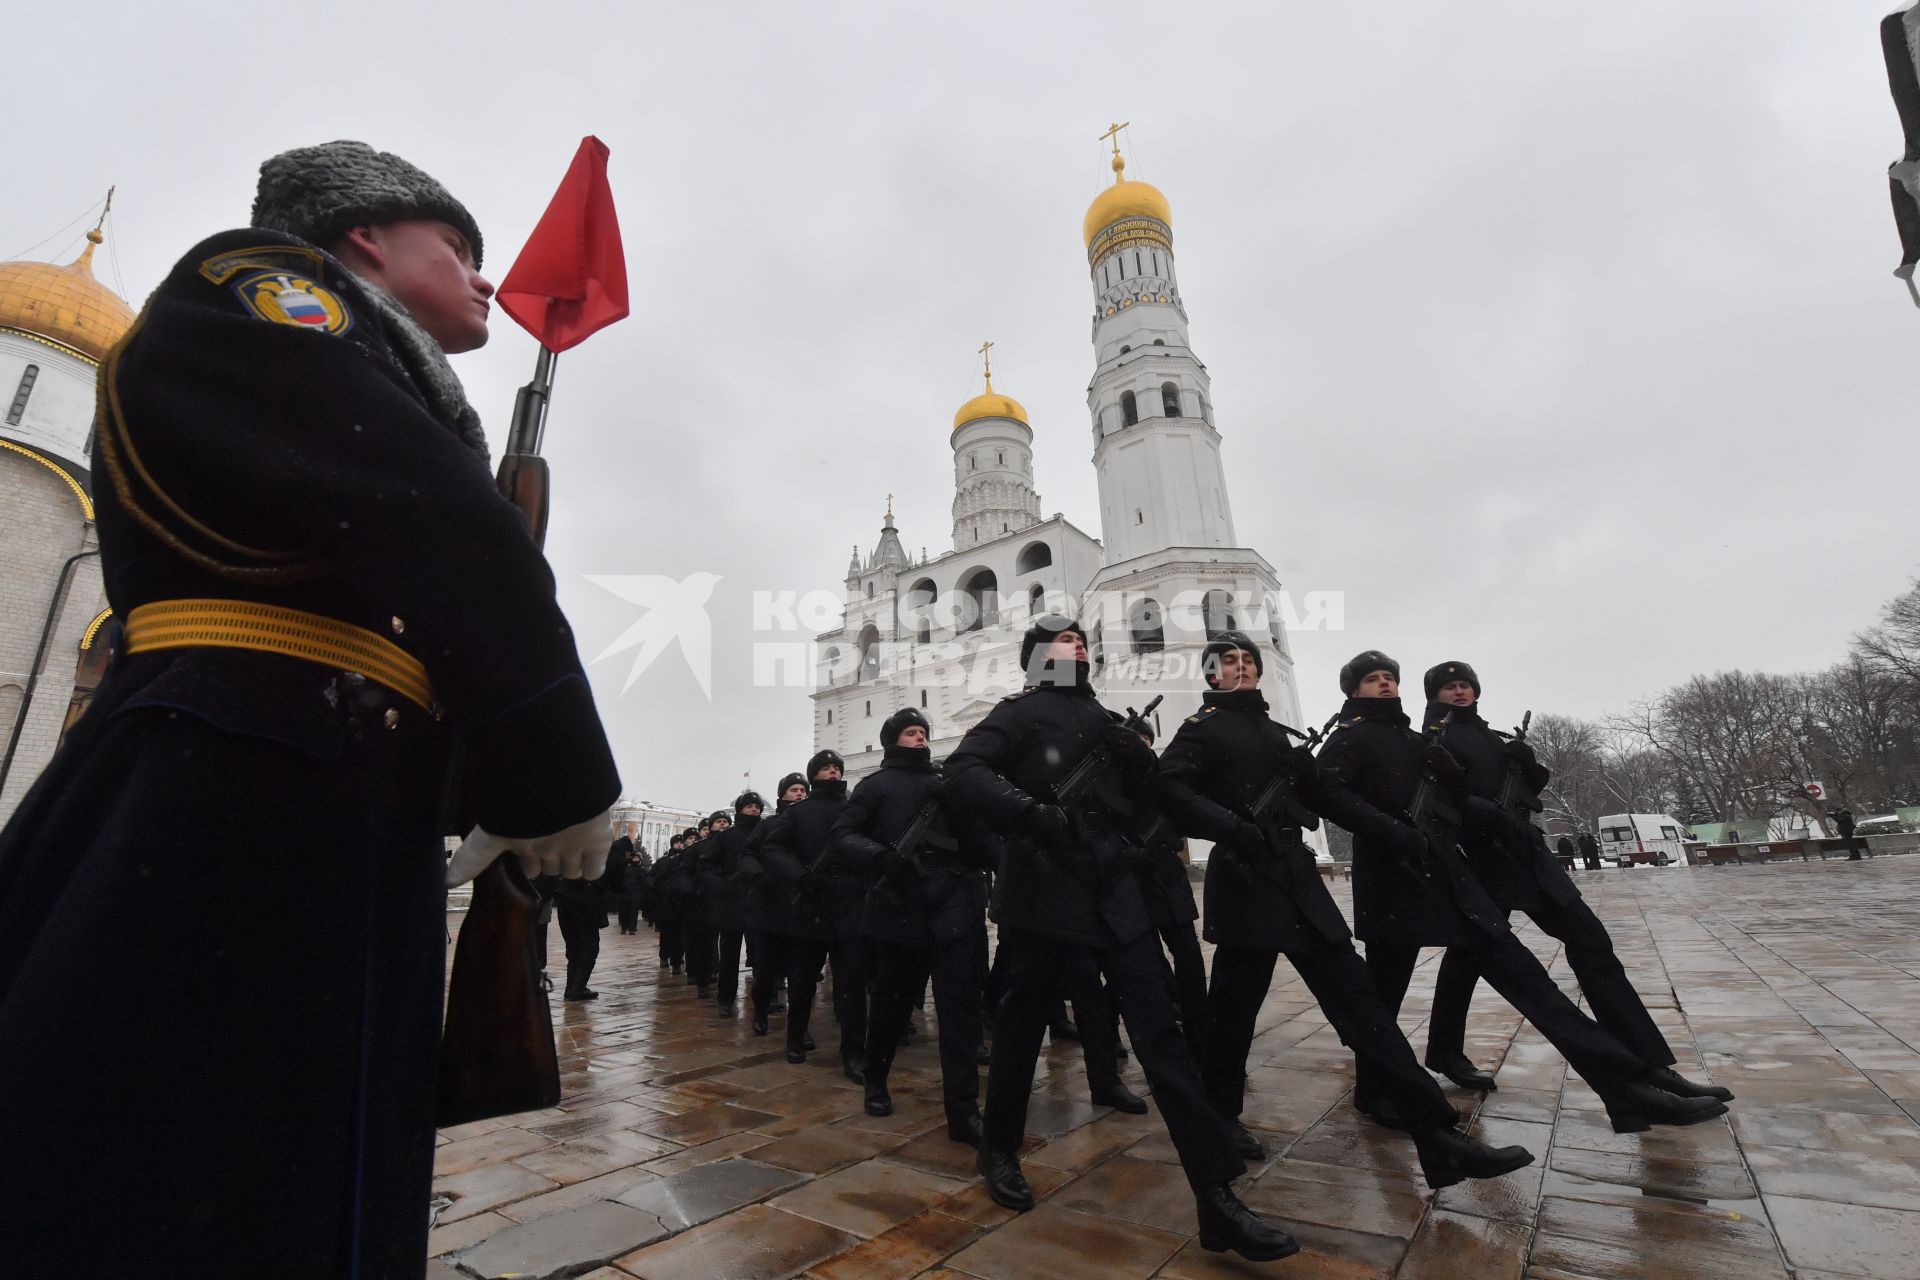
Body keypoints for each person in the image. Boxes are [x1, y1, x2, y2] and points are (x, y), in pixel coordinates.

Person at [0, 141, 620, 1275]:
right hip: (225, 785)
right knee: (172, 1165)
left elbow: (405, 602)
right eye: (459, 249)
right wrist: (561, 767)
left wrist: (479, 785)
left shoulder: (376, 379)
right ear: (364, 238)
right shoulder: (251, 289)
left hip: (323, 792)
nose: (485, 280)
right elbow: (427, 517)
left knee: (305, 1166)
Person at [944, 616, 1298, 1262]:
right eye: (1062, 640)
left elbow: (1156, 801)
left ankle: (1217, 1199)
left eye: (1081, 640)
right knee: (1022, 1031)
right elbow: (964, 771)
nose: (1076, 645)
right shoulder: (1019, 713)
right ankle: (1000, 1147)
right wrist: (1029, 813)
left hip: (1113, 892)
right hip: (1045, 894)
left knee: (1161, 1038)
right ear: (1035, 658)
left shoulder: (1107, 721)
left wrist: (1135, 834)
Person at [1156, 634, 1534, 1188]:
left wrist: (1400, 820)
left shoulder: (1277, 734)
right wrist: (1232, 828)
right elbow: (1172, 791)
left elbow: (1326, 796)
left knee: (1364, 1010)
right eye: (1227, 664)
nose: (1240, 669)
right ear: (1212, 676)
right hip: (1244, 882)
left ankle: (1437, 1134)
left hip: (1297, 881)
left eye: (1248, 662)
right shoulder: (1200, 730)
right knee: (1232, 1014)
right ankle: (1219, 1116)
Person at [1314, 652, 1728, 1137]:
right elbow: (1329, 796)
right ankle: (1374, 1088)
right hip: (1395, 883)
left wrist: (1522, 775)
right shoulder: (1349, 740)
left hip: (1451, 877)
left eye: (1389, 677)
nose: (1384, 685)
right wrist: (1397, 831)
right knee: (1385, 991)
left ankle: (1629, 1084)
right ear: (1353, 690)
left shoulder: (1416, 740)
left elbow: (1450, 796)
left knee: (1538, 988)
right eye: (1372, 679)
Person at [1418, 661, 1730, 1105]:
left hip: (1525, 855)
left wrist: (1529, 768)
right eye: (1449, 687)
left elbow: (1530, 794)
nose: (1460, 692)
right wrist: (1484, 814)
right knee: (1466, 961)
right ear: (1434, 695)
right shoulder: (1434, 742)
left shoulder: (1493, 737)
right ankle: (1447, 1051)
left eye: (1465, 684)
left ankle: (1647, 1061)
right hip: (1480, 861)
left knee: (1591, 943)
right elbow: (1440, 799)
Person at [828, 708, 993, 1141]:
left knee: (958, 1009)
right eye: (910, 733)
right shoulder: (875, 786)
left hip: (952, 904)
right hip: (900, 904)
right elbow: (843, 836)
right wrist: (881, 857)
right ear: (892, 739)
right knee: (890, 1004)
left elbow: (974, 834)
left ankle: (963, 1109)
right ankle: (876, 1080)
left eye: (923, 732)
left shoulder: (945, 783)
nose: (919, 739)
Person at [755, 752, 854, 1069]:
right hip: (811, 906)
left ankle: (853, 1051)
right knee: (802, 981)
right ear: (814, 775)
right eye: (826, 768)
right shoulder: (799, 814)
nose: (833, 772)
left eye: (837, 768)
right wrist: (799, 876)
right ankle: (795, 1038)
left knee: (850, 983)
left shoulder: (853, 809)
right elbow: (772, 848)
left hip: (849, 906)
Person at [699, 792, 762, 1016]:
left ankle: (766, 998)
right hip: (731, 904)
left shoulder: (765, 833)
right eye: (749, 806)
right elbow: (706, 866)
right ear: (740, 810)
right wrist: (721, 886)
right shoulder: (726, 837)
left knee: (763, 956)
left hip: (759, 902)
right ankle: (725, 999)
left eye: (757, 806)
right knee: (729, 956)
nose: (754, 810)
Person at [686, 813, 729, 1000]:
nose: (722, 824)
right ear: (711, 826)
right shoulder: (699, 848)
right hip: (705, 901)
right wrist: (693, 891)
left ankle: (722, 978)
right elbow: (685, 872)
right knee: (705, 943)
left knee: (728, 945)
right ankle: (703, 980)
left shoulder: (734, 845)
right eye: (719, 821)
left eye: (726, 821)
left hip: (729, 901)